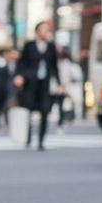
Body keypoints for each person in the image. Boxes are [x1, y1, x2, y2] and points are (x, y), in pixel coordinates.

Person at [14, 21, 62, 150]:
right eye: (43, 29)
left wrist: (58, 83)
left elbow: (54, 66)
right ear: (37, 31)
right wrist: (19, 76)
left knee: (45, 111)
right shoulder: (29, 45)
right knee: (28, 110)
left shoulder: (51, 46)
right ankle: (28, 138)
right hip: (30, 82)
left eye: (47, 29)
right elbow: (22, 62)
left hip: (45, 83)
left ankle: (41, 140)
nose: (45, 32)